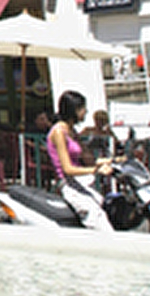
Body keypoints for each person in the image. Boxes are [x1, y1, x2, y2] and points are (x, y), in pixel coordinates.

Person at [47, 91, 112, 231]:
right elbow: (68, 169)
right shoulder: (59, 132)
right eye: (82, 108)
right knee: (98, 220)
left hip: (81, 181)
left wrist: (112, 161)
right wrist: (95, 170)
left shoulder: (72, 131)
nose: (86, 111)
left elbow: (87, 157)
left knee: (105, 204)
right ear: (73, 110)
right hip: (69, 184)